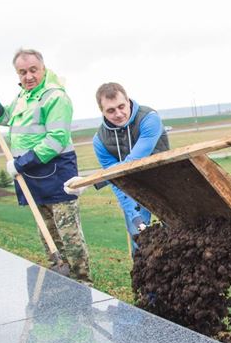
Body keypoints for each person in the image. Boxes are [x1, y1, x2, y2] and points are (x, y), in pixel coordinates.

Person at [0, 49, 91, 283]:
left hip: (58, 175)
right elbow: (7, 118)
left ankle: (84, 283)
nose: (28, 76)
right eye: (22, 72)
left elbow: (56, 140)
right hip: (32, 177)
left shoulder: (55, 97)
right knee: (47, 234)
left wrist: (21, 163)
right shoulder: (23, 97)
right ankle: (63, 281)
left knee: (69, 235)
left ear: (43, 68)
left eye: (32, 70)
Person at [69, 82, 169, 251]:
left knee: (178, 236)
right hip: (134, 190)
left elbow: (132, 163)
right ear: (102, 112)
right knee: (139, 242)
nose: (119, 113)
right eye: (110, 110)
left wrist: (92, 181)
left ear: (128, 100)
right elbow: (118, 182)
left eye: (121, 106)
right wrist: (135, 218)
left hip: (167, 185)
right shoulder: (100, 141)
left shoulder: (149, 119)